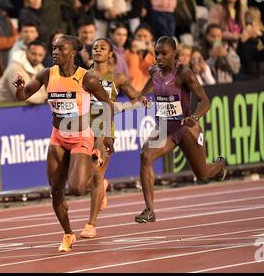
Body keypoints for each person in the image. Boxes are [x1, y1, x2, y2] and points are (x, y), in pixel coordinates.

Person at [13, 35, 114, 252]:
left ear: (73, 52)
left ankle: (98, 180)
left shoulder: (87, 79)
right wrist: (20, 88)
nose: (55, 52)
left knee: (77, 189)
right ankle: (68, 234)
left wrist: (106, 135)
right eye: (54, 48)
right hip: (58, 136)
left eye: (61, 48)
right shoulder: (47, 74)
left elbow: (107, 105)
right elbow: (23, 96)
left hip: (81, 137)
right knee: (56, 190)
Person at [134, 36, 227, 223]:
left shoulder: (184, 73)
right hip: (163, 128)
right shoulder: (153, 70)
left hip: (185, 129)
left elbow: (205, 101)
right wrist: (142, 95)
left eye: (163, 54)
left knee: (202, 174)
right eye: (156, 53)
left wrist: (194, 117)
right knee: (145, 156)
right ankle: (149, 210)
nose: (159, 57)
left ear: (174, 54)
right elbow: (148, 85)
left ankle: (219, 166)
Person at [80, 37, 140, 238]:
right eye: (94, 47)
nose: (97, 50)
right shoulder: (81, 75)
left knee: (96, 176)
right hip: (82, 129)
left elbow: (136, 99)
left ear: (110, 54)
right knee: (83, 178)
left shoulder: (118, 78)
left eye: (102, 48)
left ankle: (91, 224)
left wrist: (123, 106)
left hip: (105, 130)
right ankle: (103, 187)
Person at [0, 40, 47, 104]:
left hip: (8, 108)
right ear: (26, 51)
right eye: (33, 54)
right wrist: (44, 96)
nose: (36, 58)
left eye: (40, 55)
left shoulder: (40, 67)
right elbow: (24, 96)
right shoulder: (15, 68)